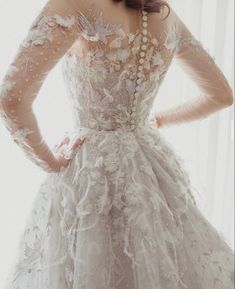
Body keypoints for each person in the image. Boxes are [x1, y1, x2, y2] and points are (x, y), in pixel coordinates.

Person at [0, 0, 234, 288]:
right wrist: (158, 119)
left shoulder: (75, 5)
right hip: (149, 169)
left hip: (90, 172)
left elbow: (12, 99)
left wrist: (50, 161)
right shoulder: (164, 15)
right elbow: (221, 95)